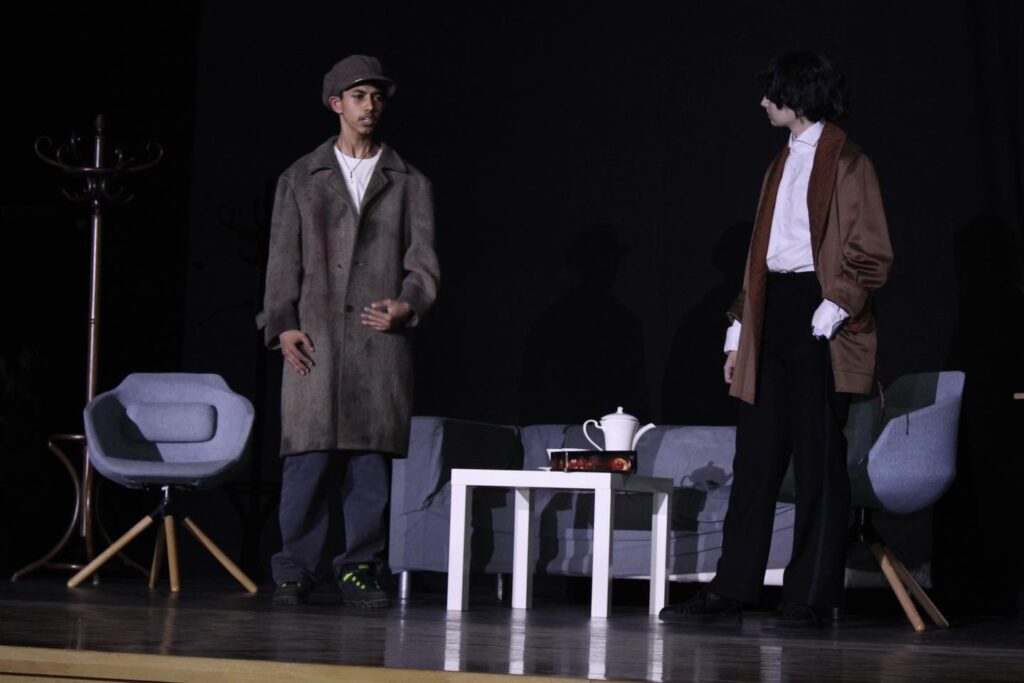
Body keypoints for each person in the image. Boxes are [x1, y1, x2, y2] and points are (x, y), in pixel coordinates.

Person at [660, 50, 892, 628]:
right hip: (774, 312)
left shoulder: (849, 161)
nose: (763, 102)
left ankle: (809, 595)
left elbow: (870, 251)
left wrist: (835, 306)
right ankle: (732, 588)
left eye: (773, 92)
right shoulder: (779, 161)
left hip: (821, 312)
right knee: (757, 458)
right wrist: (739, 331)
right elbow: (758, 258)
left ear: (800, 94)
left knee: (817, 460)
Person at [257, 54, 440, 607]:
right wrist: (282, 326)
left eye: (377, 97)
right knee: (308, 460)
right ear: (336, 103)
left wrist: (407, 305)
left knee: (368, 464)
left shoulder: (409, 182)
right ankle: (296, 568)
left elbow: (423, 265)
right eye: (359, 96)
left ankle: (360, 566)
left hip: (377, 341)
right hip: (315, 341)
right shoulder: (301, 178)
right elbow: (281, 262)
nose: (371, 106)